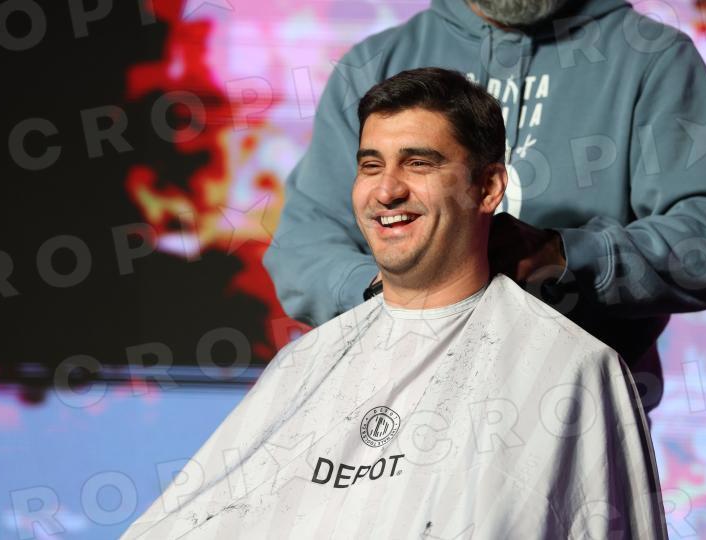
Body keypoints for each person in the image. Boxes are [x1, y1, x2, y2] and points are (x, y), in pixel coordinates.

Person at [122, 68, 666, 539]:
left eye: (418, 163)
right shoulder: (305, 364)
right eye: (371, 165)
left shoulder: (572, 370)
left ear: (487, 188)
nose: (386, 191)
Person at [262, 0, 706, 412]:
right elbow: (303, 248)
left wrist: (564, 256)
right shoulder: (376, 63)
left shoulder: (653, 58)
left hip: (582, 421)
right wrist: (392, 294)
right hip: (395, 419)